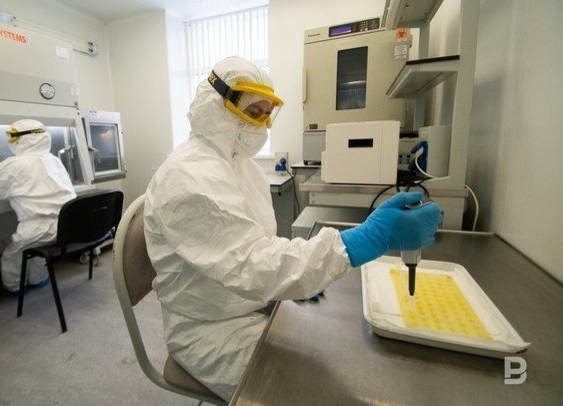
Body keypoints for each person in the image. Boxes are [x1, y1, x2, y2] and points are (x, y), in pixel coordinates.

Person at [143, 56, 442, 401]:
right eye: (252, 111)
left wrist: (293, 280)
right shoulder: (189, 178)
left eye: (266, 114)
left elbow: (259, 248)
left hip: (244, 300)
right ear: (215, 103)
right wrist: (367, 238)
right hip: (207, 329)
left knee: (330, 352)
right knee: (313, 392)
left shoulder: (240, 167)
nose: (260, 125)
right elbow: (251, 263)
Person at [0, 119, 76, 293]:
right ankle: (38, 278)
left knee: (13, 253)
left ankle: (16, 287)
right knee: (33, 247)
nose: (11, 141)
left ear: (22, 139)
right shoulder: (54, 160)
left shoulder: (14, 164)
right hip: (68, 225)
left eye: (12, 137)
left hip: (39, 227)